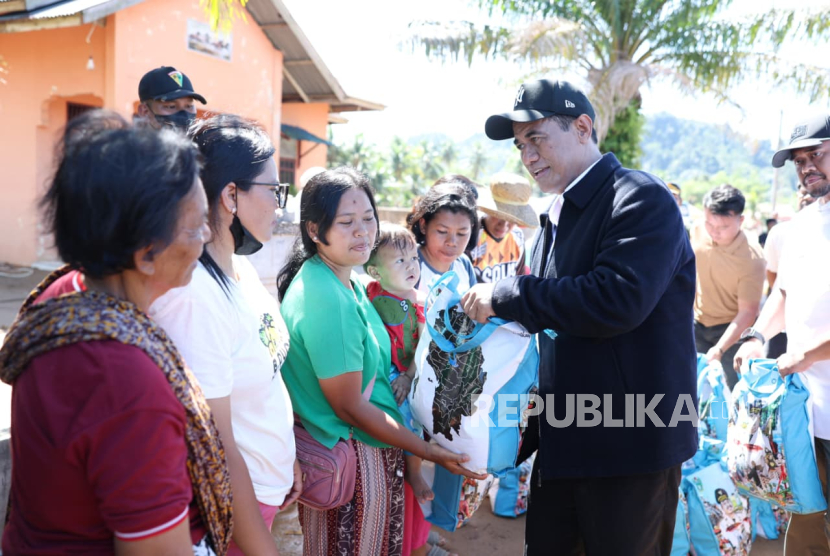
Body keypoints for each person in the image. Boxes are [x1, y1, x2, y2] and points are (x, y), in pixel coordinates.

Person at [461, 79, 697, 555]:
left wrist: (506, 295)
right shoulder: (551, 220)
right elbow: (548, 328)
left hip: (631, 447)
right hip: (565, 443)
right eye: (520, 145)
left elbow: (615, 301)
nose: (527, 155)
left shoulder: (639, 198)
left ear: (583, 127)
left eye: (537, 138)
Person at [0, 110, 231, 555]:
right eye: (197, 223)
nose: (206, 235)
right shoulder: (127, 382)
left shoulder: (63, 303)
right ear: (146, 254)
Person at [276, 167, 483, 556]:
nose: (363, 231)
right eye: (347, 222)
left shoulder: (347, 280)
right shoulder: (327, 297)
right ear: (315, 231)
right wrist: (427, 451)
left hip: (367, 455)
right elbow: (351, 407)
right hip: (356, 466)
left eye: (368, 218)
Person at [149, 114, 299, 556]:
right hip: (236, 518)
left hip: (267, 492)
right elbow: (214, 445)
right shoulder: (195, 294)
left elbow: (264, 377)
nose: (280, 205)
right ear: (231, 193)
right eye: (274, 190)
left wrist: (286, 458)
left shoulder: (242, 269)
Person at [735, 113, 830, 555]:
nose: (807, 166)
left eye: (817, 155)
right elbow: (783, 293)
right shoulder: (803, 224)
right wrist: (756, 334)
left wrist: (809, 353)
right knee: (807, 526)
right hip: (801, 413)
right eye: (799, 160)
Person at [364, 223, 440, 556]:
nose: (412, 265)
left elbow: (424, 345)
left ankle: (415, 472)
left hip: (408, 373)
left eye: (413, 257)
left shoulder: (419, 301)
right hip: (382, 373)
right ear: (374, 270)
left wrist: (408, 377)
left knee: (409, 418)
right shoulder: (369, 293)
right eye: (400, 260)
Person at [691, 184, 765, 389]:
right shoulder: (697, 231)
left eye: (723, 227)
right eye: (709, 224)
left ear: (741, 221)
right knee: (690, 390)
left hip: (732, 332)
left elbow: (748, 312)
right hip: (697, 324)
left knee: (735, 394)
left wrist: (720, 349)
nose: (714, 232)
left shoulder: (752, 257)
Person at [407, 181, 479, 294]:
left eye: (462, 233)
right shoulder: (409, 264)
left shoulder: (464, 264)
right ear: (423, 225)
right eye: (442, 231)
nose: (452, 242)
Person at [471, 172, 536, 283]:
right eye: (498, 216)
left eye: (512, 219)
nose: (504, 224)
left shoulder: (517, 236)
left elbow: (519, 279)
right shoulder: (472, 235)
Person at [137, 66, 206, 131]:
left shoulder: (201, 142)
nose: (184, 115)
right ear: (144, 111)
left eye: (189, 106)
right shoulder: (129, 142)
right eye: (171, 106)